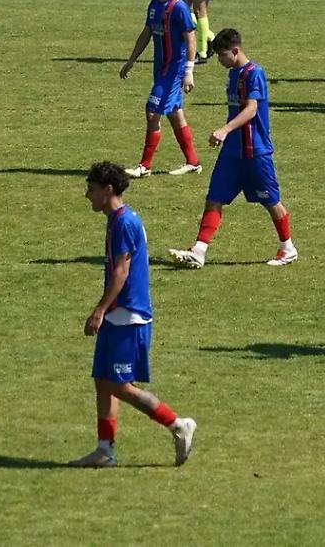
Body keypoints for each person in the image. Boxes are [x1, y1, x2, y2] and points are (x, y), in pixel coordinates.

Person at [70, 161, 197, 469]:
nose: (87, 195)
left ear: (108, 190)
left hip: (129, 317)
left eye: (92, 189)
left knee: (119, 385)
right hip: (118, 315)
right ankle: (105, 449)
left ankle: (178, 425)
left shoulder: (125, 223)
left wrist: (98, 311)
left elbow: (121, 272)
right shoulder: (115, 219)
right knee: (103, 381)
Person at [168, 28, 298, 268]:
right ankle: (199, 251)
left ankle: (288, 248)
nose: (219, 60)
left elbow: (251, 109)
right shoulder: (234, 73)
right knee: (214, 199)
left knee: (271, 202)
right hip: (232, 153)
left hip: (255, 152)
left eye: (222, 55)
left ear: (236, 51)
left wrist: (225, 130)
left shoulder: (254, 74)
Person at [119, 0, 202, 178]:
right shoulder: (154, 5)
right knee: (175, 114)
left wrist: (189, 70)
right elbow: (146, 34)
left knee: (152, 111)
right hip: (160, 69)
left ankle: (144, 166)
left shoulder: (179, 8)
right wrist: (131, 60)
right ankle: (193, 162)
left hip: (173, 72)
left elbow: (191, 39)